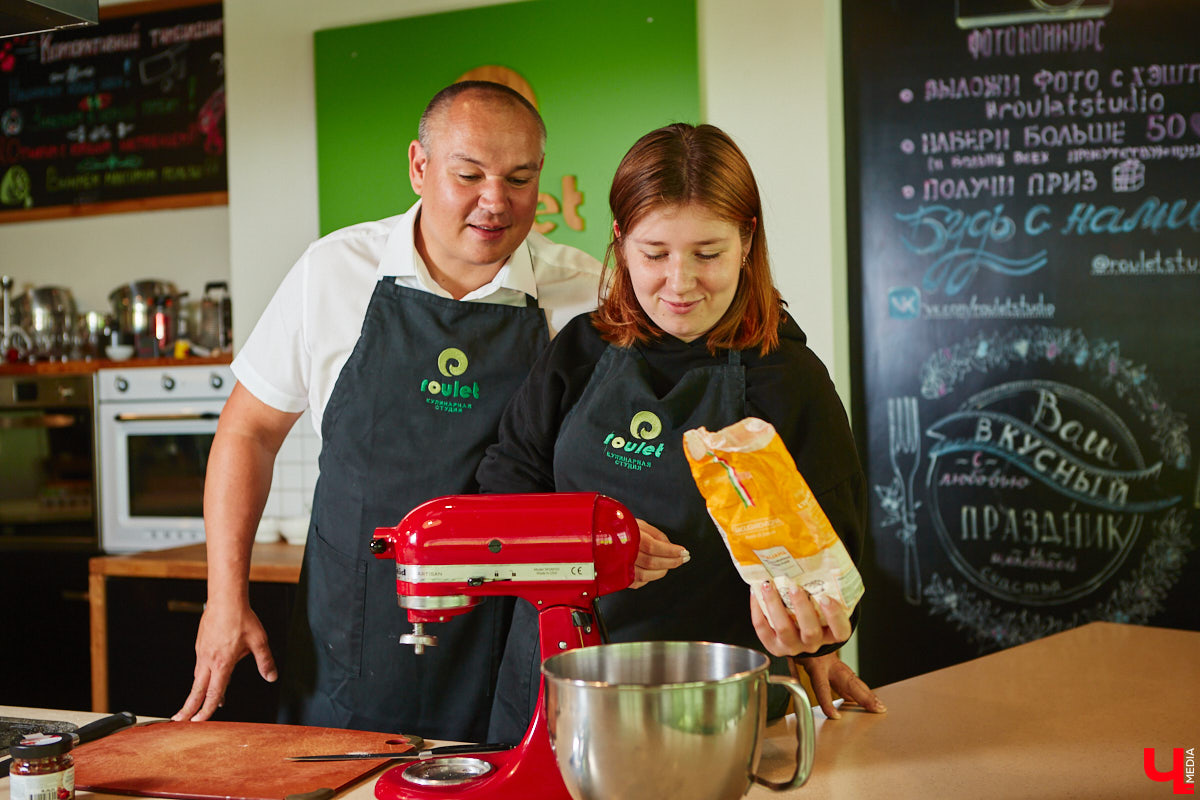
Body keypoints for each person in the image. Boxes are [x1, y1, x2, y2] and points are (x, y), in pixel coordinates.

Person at [172, 81, 602, 743]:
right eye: (470, 175)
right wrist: (225, 598)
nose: (497, 202)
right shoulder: (334, 272)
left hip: (509, 636)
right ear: (418, 167)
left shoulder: (583, 292)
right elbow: (248, 431)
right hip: (352, 631)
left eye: (520, 178)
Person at [477, 122, 886, 744]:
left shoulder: (790, 378)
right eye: (654, 253)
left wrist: (817, 633)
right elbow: (502, 496)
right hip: (559, 698)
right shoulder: (579, 353)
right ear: (619, 240)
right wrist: (584, 541)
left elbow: (836, 565)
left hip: (720, 708)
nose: (680, 282)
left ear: (747, 241)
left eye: (708, 253)